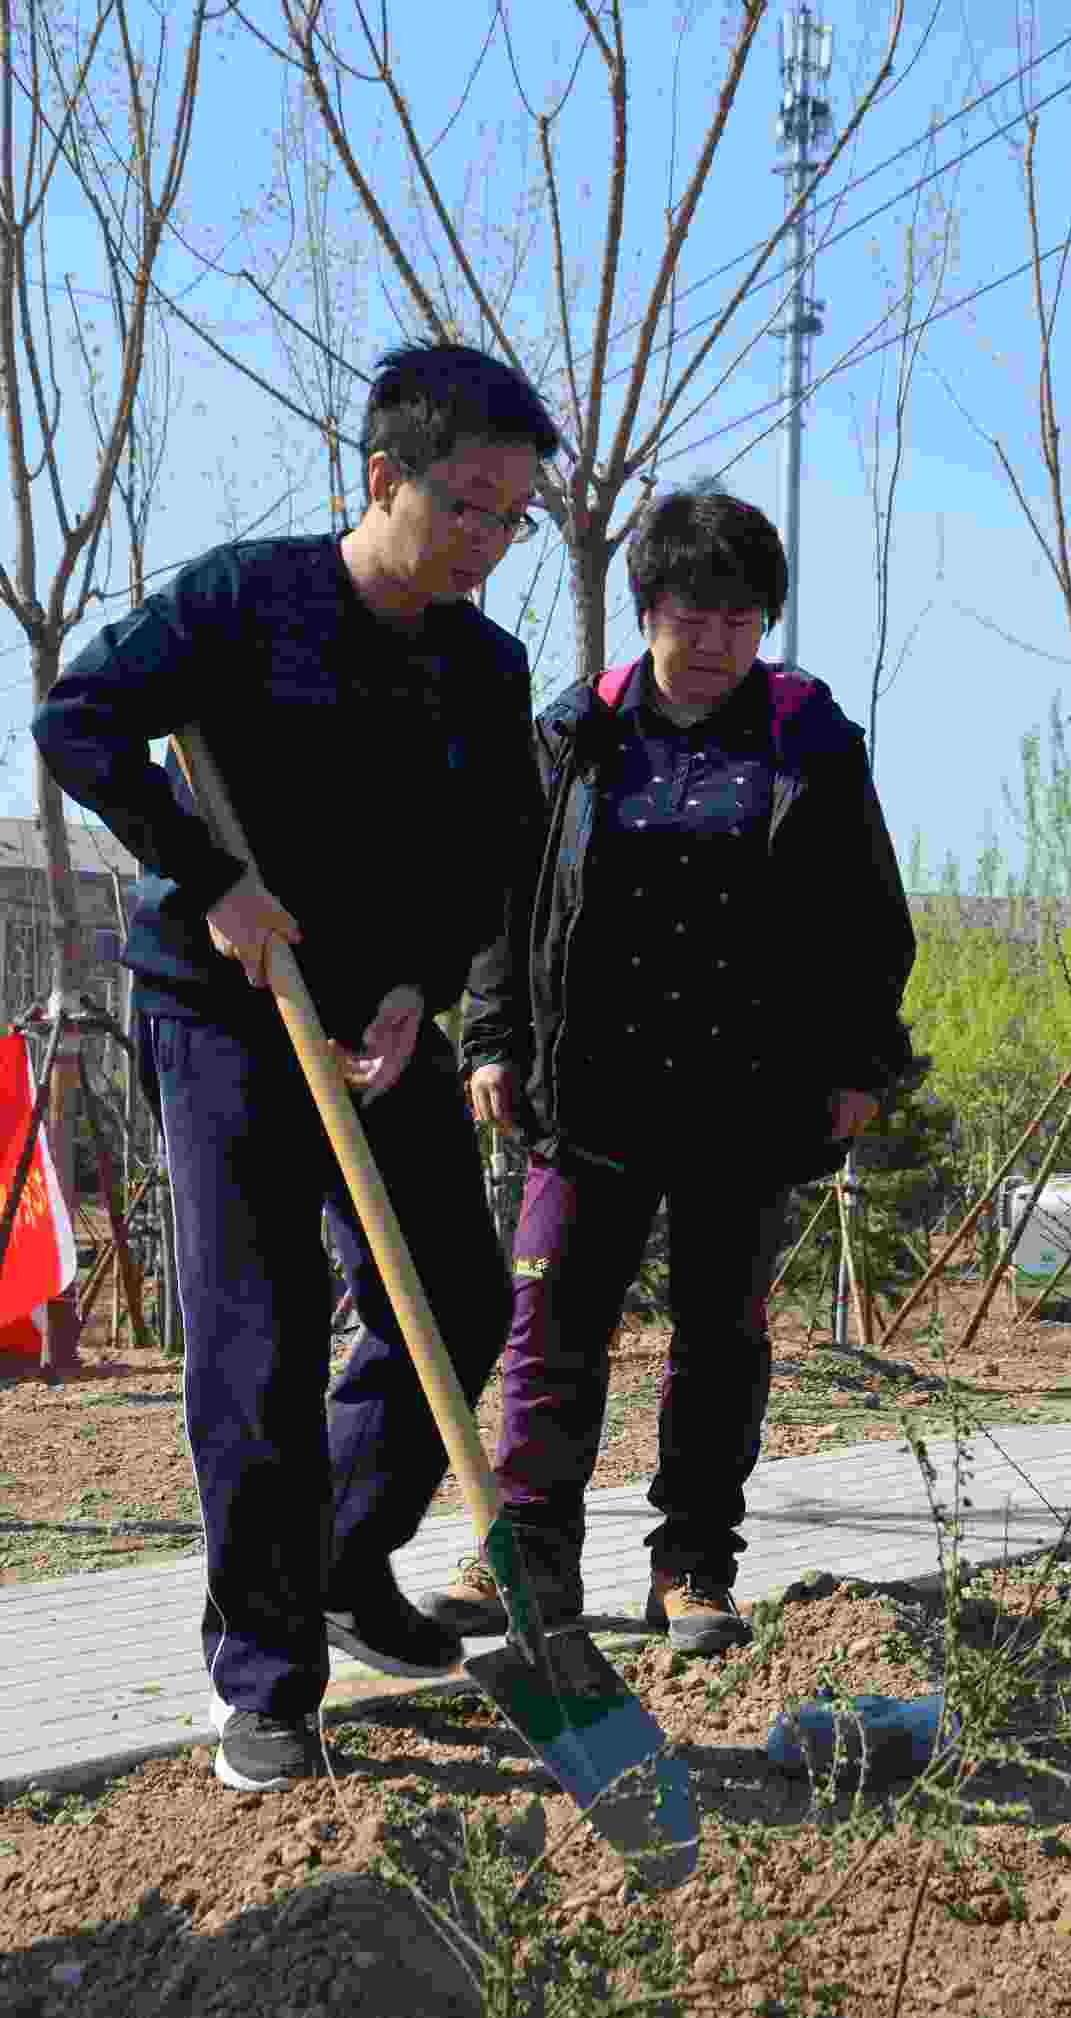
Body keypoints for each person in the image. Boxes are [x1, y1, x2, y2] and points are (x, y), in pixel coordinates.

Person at [31, 342, 559, 1789]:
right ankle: (263, 1674)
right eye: (470, 504)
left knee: (456, 1292)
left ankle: (338, 1554)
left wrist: (414, 988)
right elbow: (77, 719)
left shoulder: (483, 667)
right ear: (384, 476)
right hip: (225, 1009)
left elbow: (492, 856)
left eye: (514, 518)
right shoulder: (242, 600)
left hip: (375, 1023)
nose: (489, 540)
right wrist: (208, 879)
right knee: (255, 1340)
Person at [424, 487, 918, 1657]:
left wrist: (860, 1061)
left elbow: (868, 916)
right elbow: (509, 898)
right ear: (646, 610)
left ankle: (692, 1562)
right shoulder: (575, 734)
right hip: (591, 1084)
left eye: (740, 621)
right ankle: (524, 1548)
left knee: (720, 1334)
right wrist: (492, 1037)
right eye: (692, 617)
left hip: (746, 1092)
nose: (714, 643)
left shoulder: (809, 739)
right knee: (550, 1318)